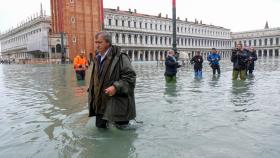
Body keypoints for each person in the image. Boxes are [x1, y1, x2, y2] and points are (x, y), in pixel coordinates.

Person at [88, 32, 136, 129]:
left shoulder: (121, 57)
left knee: (121, 137)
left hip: (117, 106)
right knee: (100, 132)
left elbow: (130, 77)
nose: (97, 45)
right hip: (100, 105)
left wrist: (115, 87)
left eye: (100, 42)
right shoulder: (97, 58)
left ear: (108, 43)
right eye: (96, 42)